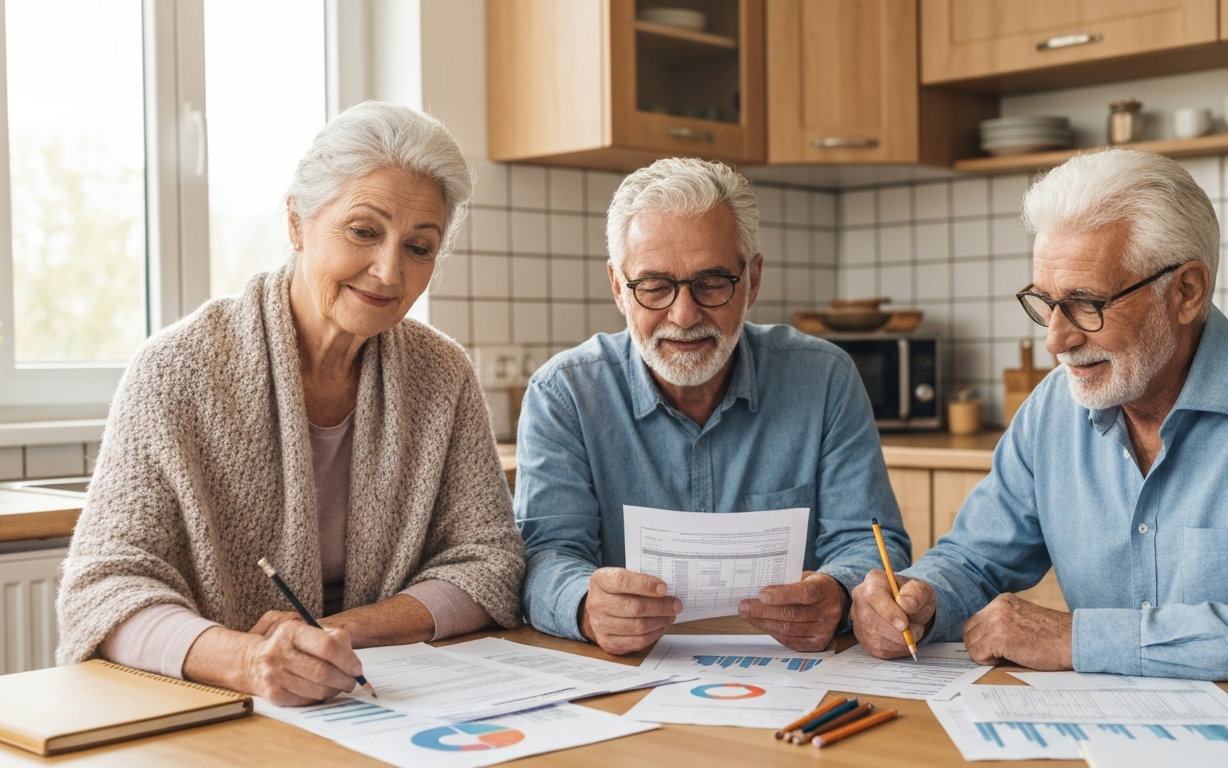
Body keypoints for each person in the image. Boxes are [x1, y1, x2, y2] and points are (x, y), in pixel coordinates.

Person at [56, 102, 526, 705]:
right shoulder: (176, 369)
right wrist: (247, 661)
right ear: (298, 223)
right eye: (363, 231)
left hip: (389, 700)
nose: (388, 271)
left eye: (420, 247)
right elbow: (105, 588)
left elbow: (490, 564)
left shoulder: (442, 375)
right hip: (212, 708)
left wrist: (337, 634)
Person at [851, 149, 1228, 683]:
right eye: (1045, 302)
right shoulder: (1052, 409)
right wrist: (919, 598)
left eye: (1087, 304)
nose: (1055, 339)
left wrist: (1080, 638)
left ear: (1186, 291)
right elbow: (973, 561)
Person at [515, 157, 910, 655]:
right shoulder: (564, 393)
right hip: (626, 673)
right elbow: (546, 556)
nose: (683, 315)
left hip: (794, 674)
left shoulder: (823, 378)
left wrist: (838, 592)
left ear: (753, 281)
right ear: (619, 286)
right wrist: (585, 608)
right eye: (654, 286)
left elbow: (871, 546)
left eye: (711, 283)